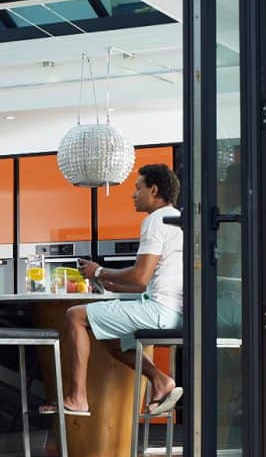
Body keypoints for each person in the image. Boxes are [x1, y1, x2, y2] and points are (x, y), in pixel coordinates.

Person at [49, 163, 184, 417]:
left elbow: (140, 277)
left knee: (75, 316)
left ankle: (77, 398)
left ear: (153, 190)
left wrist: (99, 272)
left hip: (160, 310)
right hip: (175, 311)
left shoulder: (155, 220)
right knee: (111, 339)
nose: (133, 194)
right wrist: (112, 282)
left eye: (137, 188)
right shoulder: (175, 218)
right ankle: (159, 379)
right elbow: (142, 279)